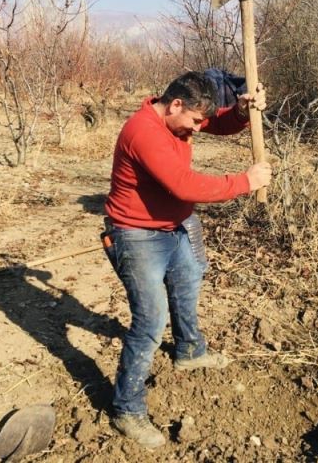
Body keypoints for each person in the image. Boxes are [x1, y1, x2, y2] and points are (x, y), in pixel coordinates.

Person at [103, 71, 272, 448]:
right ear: (175, 104)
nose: (197, 127)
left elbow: (217, 122)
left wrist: (242, 113)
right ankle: (126, 409)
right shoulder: (143, 132)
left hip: (177, 225)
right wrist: (246, 181)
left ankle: (189, 351)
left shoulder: (177, 118)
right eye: (195, 121)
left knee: (188, 282)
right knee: (150, 320)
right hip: (136, 233)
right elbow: (185, 184)